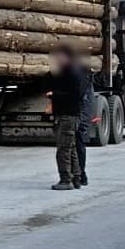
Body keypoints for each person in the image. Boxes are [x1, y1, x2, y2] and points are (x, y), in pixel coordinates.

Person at [48, 45, 85, 191]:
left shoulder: (72, 74)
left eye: (59, 56)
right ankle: (76, 178)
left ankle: (66, 179)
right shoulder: (67, 72)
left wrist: (54, 95)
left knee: (63, 149)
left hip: (68, 115)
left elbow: (74, 95)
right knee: (71, 148)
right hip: (69, 115)